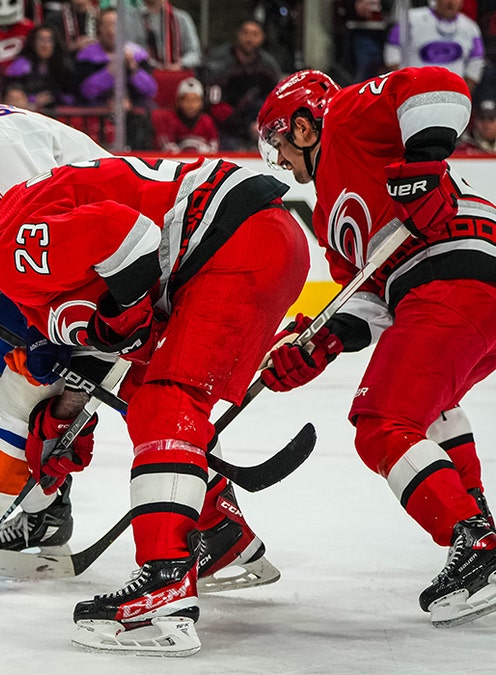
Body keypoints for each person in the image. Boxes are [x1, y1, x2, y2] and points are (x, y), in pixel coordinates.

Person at [0, 81, 286, 606]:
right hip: (81, 250)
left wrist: (91, 343)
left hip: (102, 258)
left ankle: (82, 513)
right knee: (2, 401)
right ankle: (53, 510)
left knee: (39, 397)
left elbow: (26, 231)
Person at [0, 156, 309, 655]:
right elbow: (117, 323)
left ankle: (164, 590)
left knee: (167, 407)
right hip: (249, 239)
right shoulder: (25, 216)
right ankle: (218, 534)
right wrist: (68, 413)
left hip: (231, 241)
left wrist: (123, 318)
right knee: (150, 399)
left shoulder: (8, 246)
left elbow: (128, 237)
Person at [256, 66, 496, 628]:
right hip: (444, 288)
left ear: (303, 126)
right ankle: (477, 517)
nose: (282, 161)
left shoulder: (344, 118)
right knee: (426, 404)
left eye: (280, 143)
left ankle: (474, 541)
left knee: (382, 420)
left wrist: (424, 163)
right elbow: (368, 299)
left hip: (455, 271)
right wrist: (321, 341)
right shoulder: (326, 215)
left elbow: (438, 85)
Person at [74, 8, 157, 150]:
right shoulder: (86, 56)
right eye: (105, 25)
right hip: (96, 117)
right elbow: (85, 91)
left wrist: (133, 70)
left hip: (132, 119)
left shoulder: (137, 55)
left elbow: (151, 90)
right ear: (99, 29)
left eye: (114, 24)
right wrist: (110, 72)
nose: (110, 30)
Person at [203, 18, 285, 151]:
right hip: (226, 129)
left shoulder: (269, 65)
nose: (249, 38)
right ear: (238, 34)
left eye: (255, 34)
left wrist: (261, 124)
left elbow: (276, 101)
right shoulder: (219, 62)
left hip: (260, 127)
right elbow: (213, 103)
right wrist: (242, 124)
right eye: (245, 33)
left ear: (262, 37)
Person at [383, 0, 483, 91]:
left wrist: (463, 92)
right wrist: (403, 86)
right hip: (413, 89)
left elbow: (476, 61)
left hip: (452, 92)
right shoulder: (411, 19)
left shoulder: (471, 27)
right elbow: (392, 52)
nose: (451, 3)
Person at [3, 24, 77, 111]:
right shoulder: (22, 64)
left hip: (56, 112)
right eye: (41, 40)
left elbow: (70, 94)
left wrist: (52, 98)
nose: (44, 45)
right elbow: (13, 91)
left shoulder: (63, 65)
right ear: (33, 42)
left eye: (49, 40)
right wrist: (33, 99)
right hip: (27, 109)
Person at [152, 75, 218, 154]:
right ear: (179, 102)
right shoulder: (169, 120)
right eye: (187, 100)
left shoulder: (207, 121)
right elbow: (166, 145)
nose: (191, 104)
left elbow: (213, 147)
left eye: (195, 100)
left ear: (201, 102)